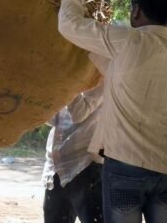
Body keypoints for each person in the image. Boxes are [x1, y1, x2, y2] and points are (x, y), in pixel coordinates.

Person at [57, 0, 167, 223]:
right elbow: (115, 67)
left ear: (136, 11)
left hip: (125, 167)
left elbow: (68, 24)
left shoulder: (127, 41)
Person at [43, 77, 104, 223]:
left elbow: (79, 113)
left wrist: (66, 79)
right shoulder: (66, 77)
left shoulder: (101, 74)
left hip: (85, 166)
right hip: (56, 168)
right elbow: (55, 119)